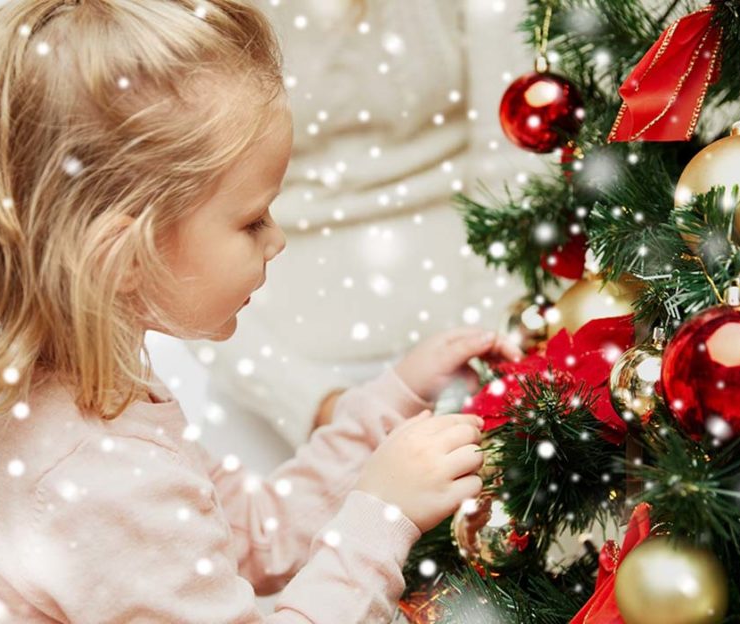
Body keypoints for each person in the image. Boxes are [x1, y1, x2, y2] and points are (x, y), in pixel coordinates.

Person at [0, 1, 520, 620]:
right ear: (125, 258)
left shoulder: (98, 395)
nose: (276, 240)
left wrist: (389, 402)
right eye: (252, 220)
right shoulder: (101, 477)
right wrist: (382, 519)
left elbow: (255, 532)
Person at [184, 0, 528, 450]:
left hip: (469, 342)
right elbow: (174, 239)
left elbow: (515, 163)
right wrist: (313, 403)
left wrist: (490, 350)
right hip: (261, 365)